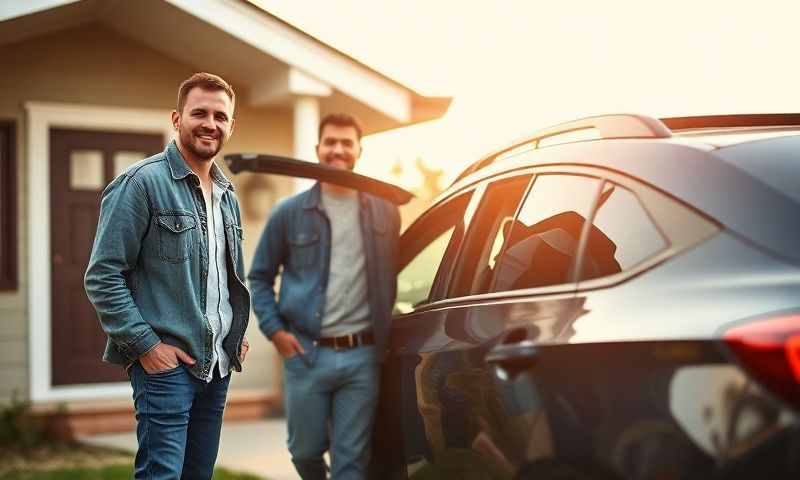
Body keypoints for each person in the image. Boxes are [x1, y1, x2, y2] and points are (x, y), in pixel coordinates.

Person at [84, 72, 251, 479]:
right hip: (167, 367)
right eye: (199, 113)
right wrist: (146, 346)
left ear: (230, 126)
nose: (210, 123)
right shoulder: (141, 183)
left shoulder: (227, 195)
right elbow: (103, 275)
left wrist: (235, 331)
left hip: (218, 364)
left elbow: (224, 278)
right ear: (177, 119)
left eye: (219, 115)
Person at [249, 113, 401, 479]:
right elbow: (259, 277)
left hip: (362, 356)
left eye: (347, 143)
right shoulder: (289, 212)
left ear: (359, 150)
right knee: (304, 453)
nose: (338, 150)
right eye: (330, 142)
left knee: (351, 462)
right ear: (317, 148)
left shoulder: (385, 211)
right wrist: (276, 333)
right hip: (306, 353)